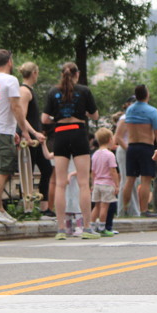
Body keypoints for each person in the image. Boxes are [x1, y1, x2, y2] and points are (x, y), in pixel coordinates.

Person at [41, 62, 100, 239]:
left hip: (60, 134)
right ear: (77, 74)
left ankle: (61, 229)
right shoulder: (84, 91)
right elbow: (95, 115)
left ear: (62, 74)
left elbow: (44, 119)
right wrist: (84, 114)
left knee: (60, 183)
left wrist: (57, 119)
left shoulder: (53, 92)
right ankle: (87, 227)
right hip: (78, 132)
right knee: (83, 183)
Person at [0, 50, 42, 224]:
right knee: (3, 171)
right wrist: (24, 131)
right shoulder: (10, 80)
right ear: (9, 61)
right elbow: (16, 107)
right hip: (3, 130)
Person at [119, 84, 157, 216]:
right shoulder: (152, 111)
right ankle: (144, 210)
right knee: (146, 179)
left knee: (130, 179)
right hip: (146, 147)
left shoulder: (130, 110)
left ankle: (125, 209)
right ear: (146, 94)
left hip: (132, 147)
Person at [18, 61, 55, 215]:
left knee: (46, 169)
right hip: (30, 139)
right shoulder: (24, 91)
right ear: (34, 73)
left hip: (36, 138)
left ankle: (44, 207)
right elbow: (22, 117)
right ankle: (27, 206)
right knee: (28, 171)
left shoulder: (30, 91)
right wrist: (34, 132)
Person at [89, 127, 119, 236]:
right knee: (104, 207)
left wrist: (93, 183)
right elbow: (113, 171)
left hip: (97, 183)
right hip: (107, 183)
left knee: (96, 206)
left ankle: (91, 226)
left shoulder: (95, 154)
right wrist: (116, 185)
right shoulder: (110, 155)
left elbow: (93, 171)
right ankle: (102, 227)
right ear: (110, 139)